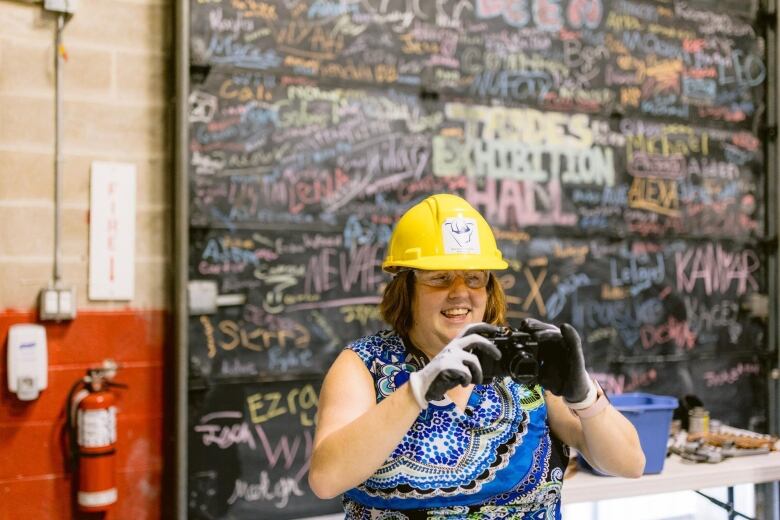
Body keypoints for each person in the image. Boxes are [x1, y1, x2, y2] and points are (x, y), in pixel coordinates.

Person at [309, 194, 645, 519]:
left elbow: (629, 463)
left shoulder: (522, 360)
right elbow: (326, 479)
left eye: (474, 277)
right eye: (439, 278)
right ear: (405, 288)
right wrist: (416, 390)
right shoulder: (363, 365)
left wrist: (586, 398)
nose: (459, 292)